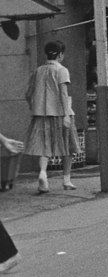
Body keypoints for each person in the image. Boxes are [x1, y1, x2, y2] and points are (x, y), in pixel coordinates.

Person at [24, 41, 76, 194]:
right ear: (60, 55)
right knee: (68, 146)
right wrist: (66, 114)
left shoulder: (37, 71)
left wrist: (33, 106)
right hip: (61, 113)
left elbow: (28, 94)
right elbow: (63, 93)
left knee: (44, 146)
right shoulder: (62, 70)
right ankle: (66, 180)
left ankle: (43, 174)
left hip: (41, 114)